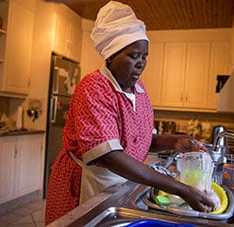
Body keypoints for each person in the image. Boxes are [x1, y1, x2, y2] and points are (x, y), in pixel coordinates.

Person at [45, 1, 215, 225]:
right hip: (87, 185)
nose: (141, 64)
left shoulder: (139, 90)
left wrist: (175, 141)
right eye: (134, 56)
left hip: (121, 182)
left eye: (144, 57)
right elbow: (109, 155)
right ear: (112, 56)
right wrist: (180, 188)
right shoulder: (94, 87)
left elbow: (141, 139)